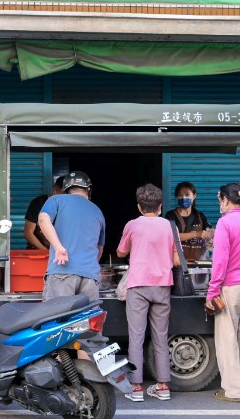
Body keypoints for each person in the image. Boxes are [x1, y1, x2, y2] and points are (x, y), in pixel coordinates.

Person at [117, 184, 177, 402]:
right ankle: (162, 386)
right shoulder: (170, 226)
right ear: (160, 206)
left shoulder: (132, 225)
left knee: (136, 337)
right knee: (161, 337)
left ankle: (136, 388)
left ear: (139, 206)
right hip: (162, 285)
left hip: (138, 285)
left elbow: (121, 251)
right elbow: (175, 257)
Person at [205, 182, 240, 403]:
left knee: (227, 340)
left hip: (231, 288)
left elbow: (220, 262)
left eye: (220, 200)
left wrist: (212, 292)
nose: (220, 204)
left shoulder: (225, 222)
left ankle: (231, 391)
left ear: (226, 200)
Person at [37, 171, 105, 302]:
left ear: (65, 189)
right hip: (90, 278)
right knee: (87, 321)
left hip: (62, 271)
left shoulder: (56, 200)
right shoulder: (97, 211)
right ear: (88, 189)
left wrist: (58, 247)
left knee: (57, 319)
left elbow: (43, 220)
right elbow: (99, 249)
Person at [164, 181, 212, 262]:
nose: (183, 198)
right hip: (177, 264)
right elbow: (171, 237)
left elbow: (209, 233)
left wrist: (209, 239)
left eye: (187, 195)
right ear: (176, 197)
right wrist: (196, 234)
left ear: (194, 196)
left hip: (197, 264)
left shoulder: (200, 216)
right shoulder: (171, 216)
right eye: (180, 195)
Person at [24, 176, 64, 250]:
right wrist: (45, 251)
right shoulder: (38, 203)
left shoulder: (69, 206)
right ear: (55, 190)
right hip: (39, 252)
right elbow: (28, 233)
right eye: (62, 195)